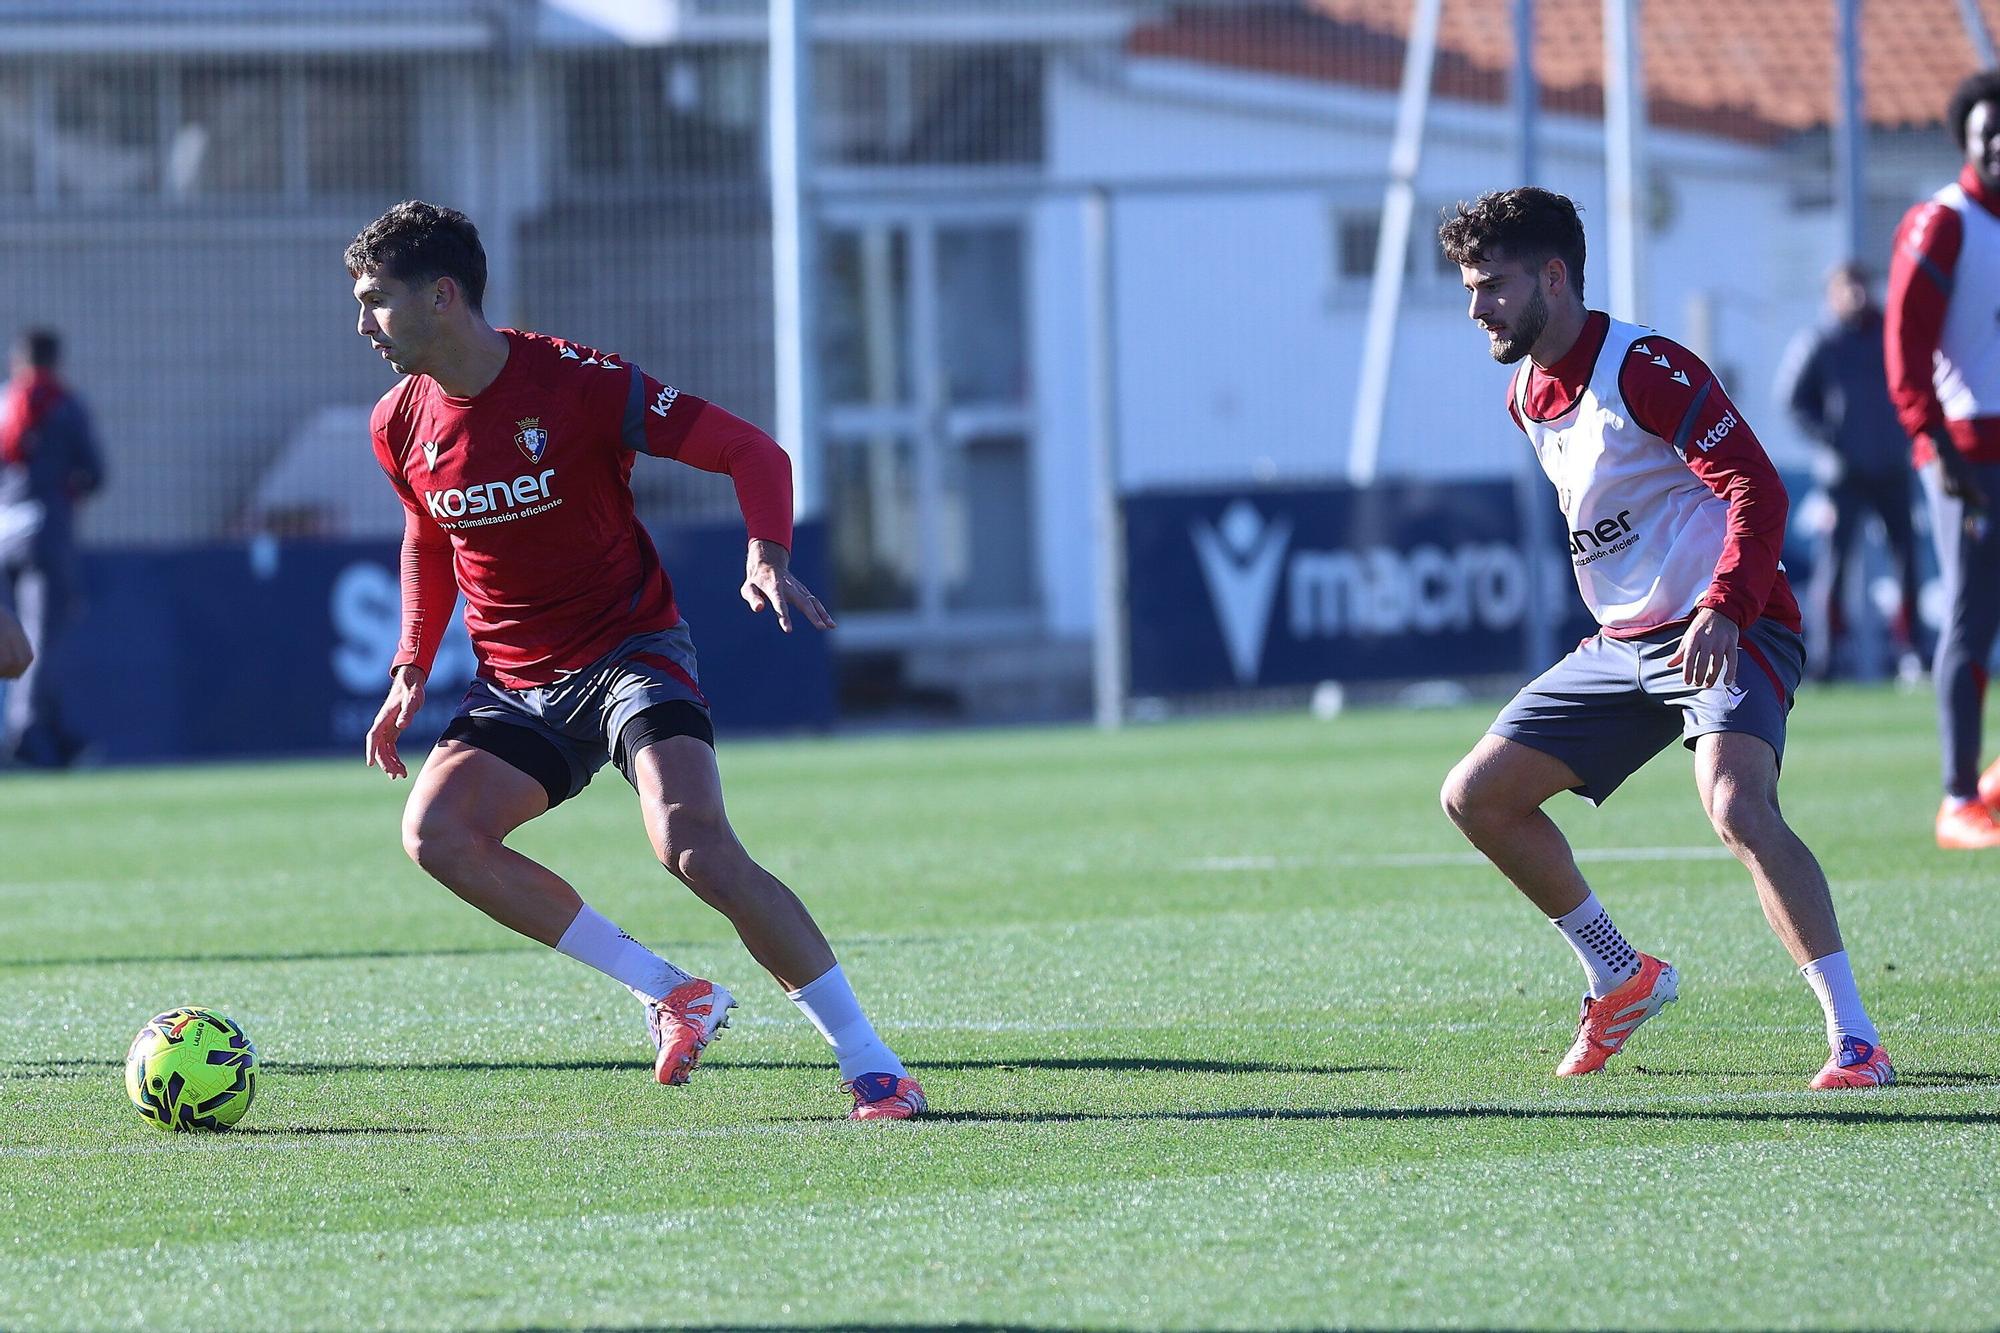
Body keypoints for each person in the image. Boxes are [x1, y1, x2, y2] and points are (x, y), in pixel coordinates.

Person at [347, 200, 924, 1120]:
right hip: (516, 682)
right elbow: (426, 537)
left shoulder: (579, 382)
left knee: (692, 846)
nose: (364, 324)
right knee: (436, 834)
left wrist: (766, 553)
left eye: (376, 300)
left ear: (443, 295)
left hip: (627, 651)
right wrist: (412, 661)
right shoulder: (396, 422)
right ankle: (670, 991)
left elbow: (750, 450)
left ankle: (872, 1063)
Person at [1435, 188, 1893, 1091]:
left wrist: (1724, 605)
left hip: (1737, 621)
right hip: (1629, 642)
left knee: (1735, 804)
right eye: (1469, 287)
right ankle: (1620, 972)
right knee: (1476, 797)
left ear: (1554, 276)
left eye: (1491, 284)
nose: (1476, 306)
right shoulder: (1526, 394)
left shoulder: (1645, 365)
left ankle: (1857, 1038)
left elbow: (1759, 487)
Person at [1885, 68, 2000, 850]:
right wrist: (1931, 444)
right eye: (1989, 132)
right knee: (1972, 618)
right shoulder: (1945, 222)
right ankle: (1960, 797)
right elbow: (1905, 345)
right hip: (1968, 456)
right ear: (1966, 139)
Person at [1777, 262, 1923, 682]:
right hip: (1844, 473)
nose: (1857, 295)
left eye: (1862, 286)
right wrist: (1831, 437)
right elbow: (1792, 399)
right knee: (1837, 563)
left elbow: (1916, 380)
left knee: (1906, 556)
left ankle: (1910, 648)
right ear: (1832, 295)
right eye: (1848, 288)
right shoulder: (1822, 341)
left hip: (1893, 466)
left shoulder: (1890, 334)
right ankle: (1828, 654)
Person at [0, 329, 104, 767]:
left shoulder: (4, 403)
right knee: (43, 637)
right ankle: (25, 733)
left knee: (18, 634)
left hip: (5, 534)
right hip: (46, 536)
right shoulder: (66, 404)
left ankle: (57, 737)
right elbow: (96, 473)